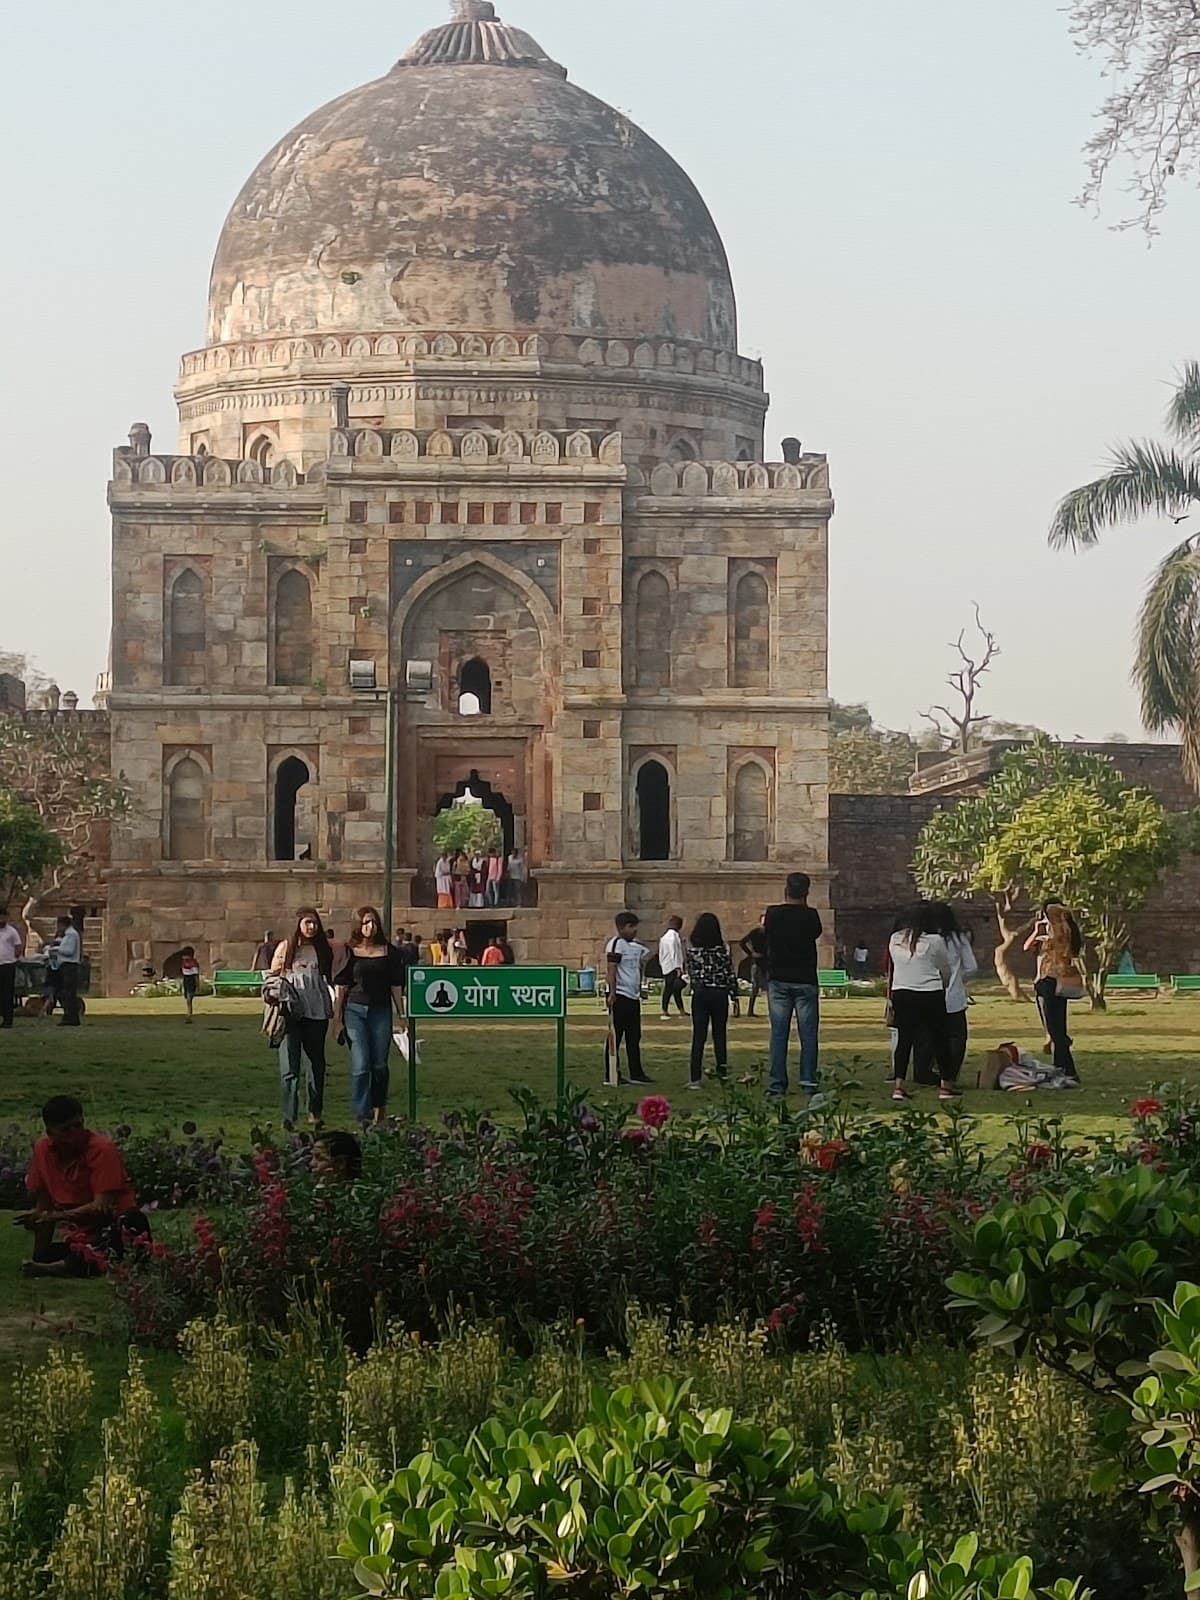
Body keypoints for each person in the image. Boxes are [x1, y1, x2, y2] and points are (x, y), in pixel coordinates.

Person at [16, 1095, 150, 1278]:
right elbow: (43, 1205)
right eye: (65, 1130)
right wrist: (39, 1219)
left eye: (78, 1126)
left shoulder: (103, 1149)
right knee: (51, 1252)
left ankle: (60, 1268)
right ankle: (50, 1263)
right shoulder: (42, 1150)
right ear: (50, 1133)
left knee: (133, 1221)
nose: (75, 1134)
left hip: (112, 1227)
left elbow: (101, 1207)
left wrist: (56, 1216)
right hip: (82, 1235)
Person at [333, 907, 407, 1125]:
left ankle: (379, 1109)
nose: (370, 927)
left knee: (379, 1065)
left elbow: (396, 985)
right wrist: (337, 1020)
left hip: (380, 1010)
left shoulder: (389, 951)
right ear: (358, 925)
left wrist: (401, 1015)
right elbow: (341, 988)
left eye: (374, 922)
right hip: (355, 1010)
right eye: (366, 922)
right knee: (361, 1063)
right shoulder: (348, 951)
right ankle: (362, 1114)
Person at [888, 902, 961, 1103]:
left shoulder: (895, 939)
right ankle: (946, 1086)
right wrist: (944, 985)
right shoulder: (935, 941)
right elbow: (945, 968)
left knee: (905, 1040)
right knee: (940, 1040)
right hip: (930, 992)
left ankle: (898, 1086)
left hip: (902, 992)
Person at [272, 909, 334, 1126]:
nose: (311, 927)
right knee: (290, 1066)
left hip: (316, 1012)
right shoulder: (286, 947)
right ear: (298, 924)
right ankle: (290, 1115)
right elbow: (272, 976)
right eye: (307, 922)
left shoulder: (321, 949)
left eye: (315, 923)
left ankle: (315, 1112)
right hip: (290, 1014)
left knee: (316, 1064)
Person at [764, 873, 822, 1097]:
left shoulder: (773, 914)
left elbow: (768, 933)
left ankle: (777, 1083)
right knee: (808, 1034)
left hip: (779, 978)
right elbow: (814, 934)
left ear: (786, 889)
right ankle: (808, 1081)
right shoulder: (811, 916)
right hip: (805, 978)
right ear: (806, 892)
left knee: (779, 1034)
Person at [912, 903, 977, 1086]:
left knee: (925, 1037)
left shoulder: (920, 939)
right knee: (956, 1037)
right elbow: (971, 967)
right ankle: (948, 1075)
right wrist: (957, 978)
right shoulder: (957, 939)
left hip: (925, 994)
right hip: (953, 997)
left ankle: (923, 1073)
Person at [1024, 899, 1084, 1082]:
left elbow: (1029, 947)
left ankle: (1067, 1067)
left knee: (1053, 1028)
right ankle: (1062, 1066)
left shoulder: (1055, 935)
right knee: (1058, 1025)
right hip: (1059, 982)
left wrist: (1040, 929)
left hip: (1048, 981)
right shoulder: (1070, 932)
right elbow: (1028, 947)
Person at [686, 913, 737, 1086]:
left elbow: (692, 975)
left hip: (701, 993)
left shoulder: (693, 952)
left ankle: (695, 1077)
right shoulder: (722, 951)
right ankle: (722, 1074)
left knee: (698, 1036)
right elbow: (728, 973)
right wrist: (734, 994)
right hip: (719, 993)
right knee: (719, 1035)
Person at [605, 912, 651, 1085]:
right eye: (630, 926)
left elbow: (637, 969)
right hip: (621, 996)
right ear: (621, 928)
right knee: (616, 1036)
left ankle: (636, 1072)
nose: (634, 930)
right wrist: (612, 992)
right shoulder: (616, 945)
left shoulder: (635, 947)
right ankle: (611, 1072)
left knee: (634, 1036)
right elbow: (612, 969)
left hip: (633, 996)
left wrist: (640, 989)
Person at [49, 915, 83, 1028]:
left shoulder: (71, 935)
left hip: (70, 966)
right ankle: (68, 1016)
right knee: (65, 993)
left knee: (68, 993)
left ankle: (71, 1017)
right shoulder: (67, 936)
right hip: (65, 966)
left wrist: (55, 949)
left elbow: (69, 951)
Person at [658, 916, 687, 1019]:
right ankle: (665, 1011)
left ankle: (680, 1010)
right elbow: (674, 952)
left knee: (675, 989)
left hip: (666, 965)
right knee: (670, 988)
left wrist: (662, 964)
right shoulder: (673, 937)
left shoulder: (664, 937)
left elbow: (661, 953)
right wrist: (678, 967)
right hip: (672, 966)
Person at [739, 916, 768, 1019]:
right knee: (755, 987)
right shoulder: (756, 933)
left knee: (770, 987)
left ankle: (773, 1011)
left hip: (768, 963)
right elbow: (742, 942)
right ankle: (750, 1011)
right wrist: (751, 953)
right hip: (757, 962)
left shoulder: (772, 933)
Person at [0, 909, 22, 1029]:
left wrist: (13, 957)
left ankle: (8, 1020)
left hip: (7, 965)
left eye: (3, 917)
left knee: (7, 993)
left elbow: (18, 946)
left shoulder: (11, 931)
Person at [180, 945, 201, 1023]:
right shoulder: (183, 962)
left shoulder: (193, 963)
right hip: (186, 980)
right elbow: (183, 974)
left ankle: (189, 1015)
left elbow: (196, 976)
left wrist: (197, 986)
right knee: (187, 998)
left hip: (191, 980)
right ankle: (189, 1013)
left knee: (189, 999)